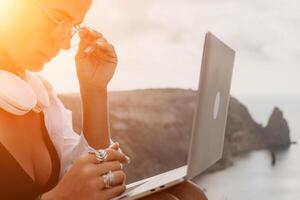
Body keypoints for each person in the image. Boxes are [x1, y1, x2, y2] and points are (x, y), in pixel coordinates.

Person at [0, 0, 207, 199]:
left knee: (188, 194)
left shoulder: (39, 97)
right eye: (58, 18)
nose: (64, 44)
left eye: (73, 28)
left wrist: (94, 90)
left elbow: (90, 182)